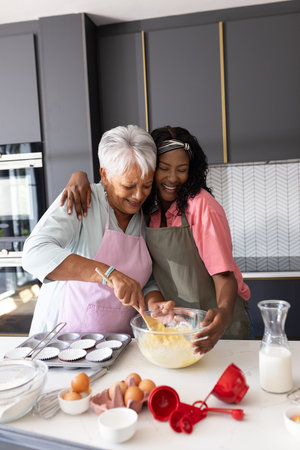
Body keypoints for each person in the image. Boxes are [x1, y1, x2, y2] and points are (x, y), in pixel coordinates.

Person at [62, 126, 251, 354]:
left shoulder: (201, 206)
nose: (173, 178)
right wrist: (79, 175)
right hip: (177, 326)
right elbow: (115, 180)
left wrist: (224, 313)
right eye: (164, 169)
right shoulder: (145, 209)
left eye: (182, 169)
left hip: (214, 325)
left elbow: (224, 274)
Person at [22, 125, 172, 336]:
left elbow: (144, 281)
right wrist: (108, 274)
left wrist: (154, 303)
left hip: (118, 346)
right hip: (63, 342)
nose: (139, 196)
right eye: (129, 186)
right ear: (105, 174)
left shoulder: (146, 215)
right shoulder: (81, 199)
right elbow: (33, 254)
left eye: (146, 185)